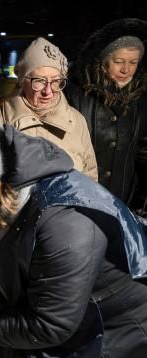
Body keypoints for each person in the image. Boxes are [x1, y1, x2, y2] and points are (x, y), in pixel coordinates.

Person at [0, 97, 147, 358]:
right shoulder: (13, 197)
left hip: (125, 346)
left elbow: (51, 324)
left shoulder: (64, 223)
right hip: (84, 329)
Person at [66, 18, 147, 213]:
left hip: (122, 201)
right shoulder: (74, 93)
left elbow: (143, 149)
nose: (126, 69)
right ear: (102, 60)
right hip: (78, 199)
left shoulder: (141, 99)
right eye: (118, 62)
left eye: (133, 62)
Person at [0, 37, 98, 181]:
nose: (48, 91)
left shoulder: (77, 120)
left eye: (55, 81)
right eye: (39, 81)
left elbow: (90, 176)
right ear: (23, 81)